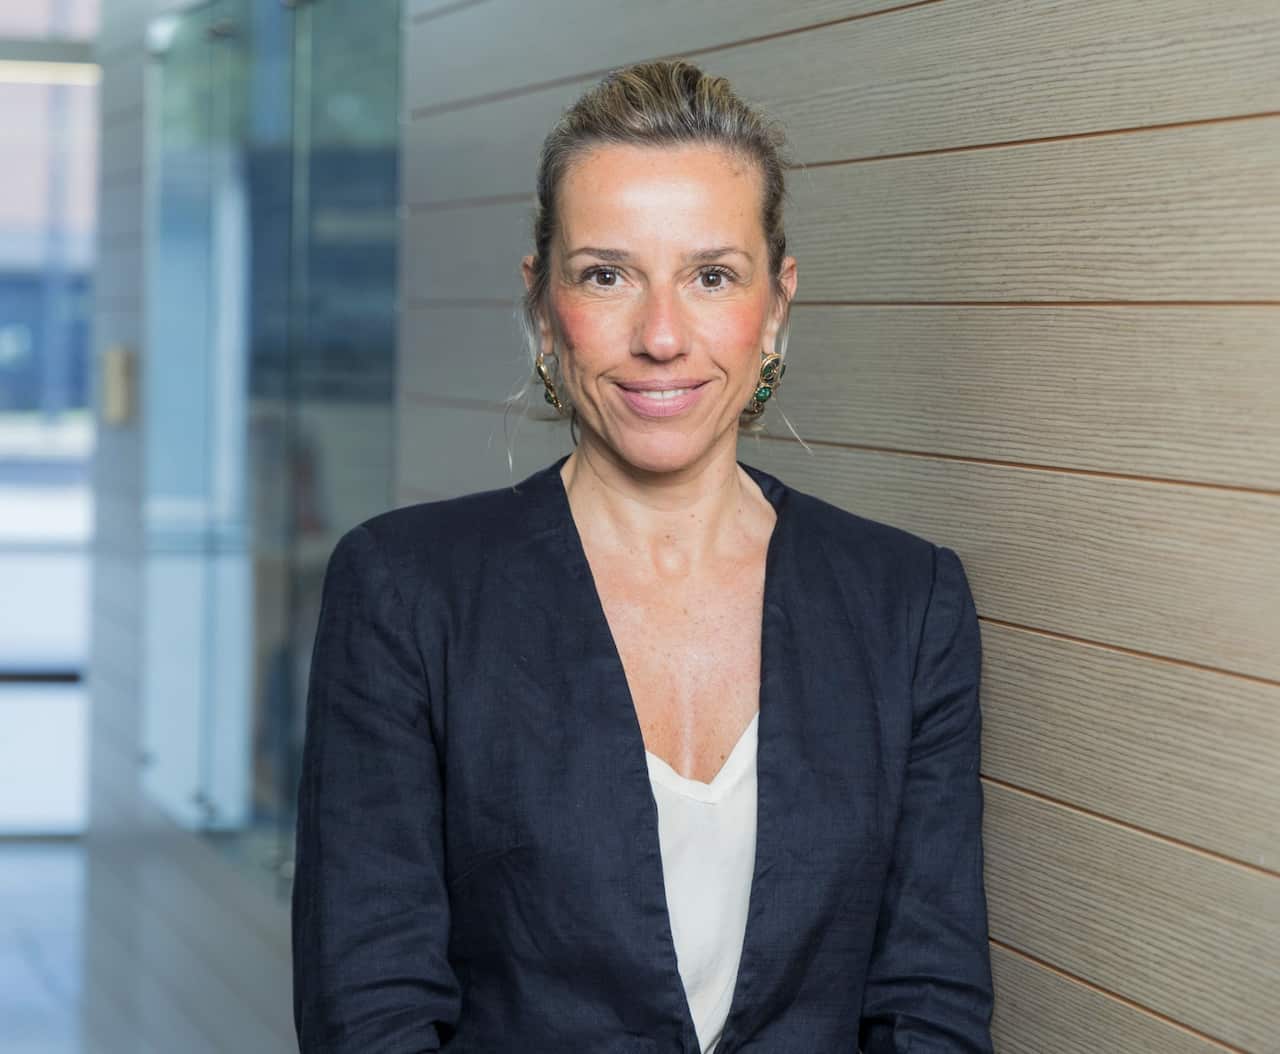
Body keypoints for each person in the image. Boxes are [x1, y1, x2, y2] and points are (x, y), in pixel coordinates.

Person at [291, 59, 994, 1053]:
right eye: (606, 274)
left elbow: (930, 999)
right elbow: (368, 1008)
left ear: (775, 305)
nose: (661, 335)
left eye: (710, 276)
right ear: (541, 304)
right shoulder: (407, 591)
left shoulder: (904, 601)